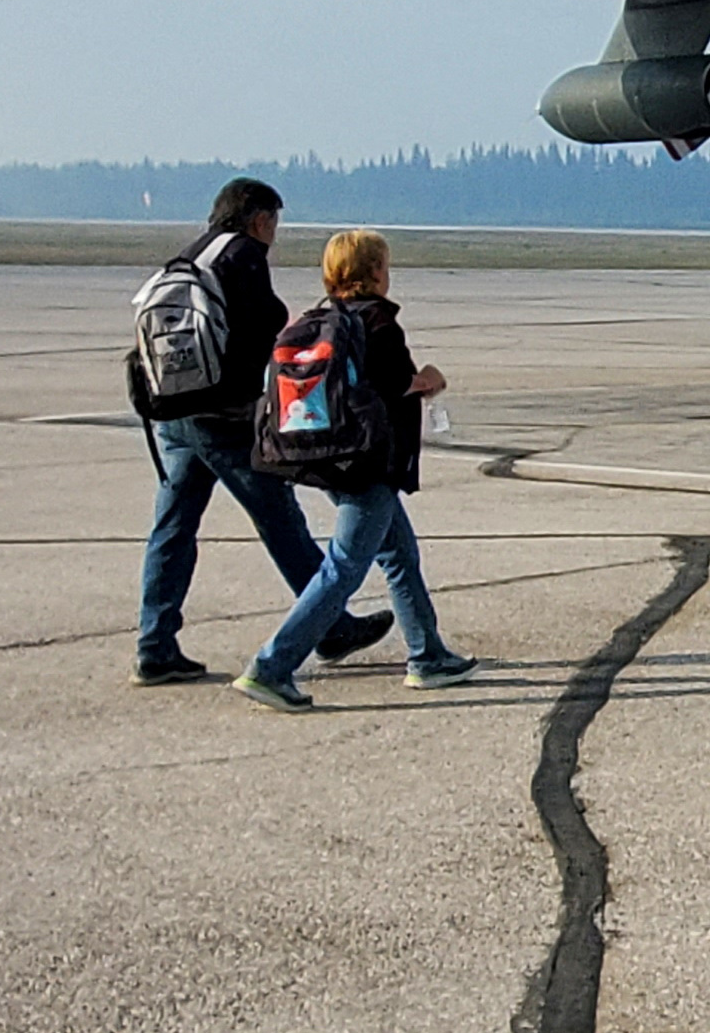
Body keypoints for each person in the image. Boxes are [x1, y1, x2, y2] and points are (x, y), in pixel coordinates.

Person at [130, 179, 390, 686]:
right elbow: (265, 323)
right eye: (274, 221)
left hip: (172, 412)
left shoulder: (188, 257)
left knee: (173, 526)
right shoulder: (243, 255)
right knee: (279, 518)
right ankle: (331, 626)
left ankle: (155, 644)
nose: (274, 232)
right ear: (259, 219)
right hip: (221, 417)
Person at [231, 230, 475, 710]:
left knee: (400, 554)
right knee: (345, 567)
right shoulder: (378, 321)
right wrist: (431, 378)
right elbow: (400, 384)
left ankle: (427, 655)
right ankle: (272, 666)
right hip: (368, 463)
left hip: (328, 457)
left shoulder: (316, 320)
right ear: (373, 271)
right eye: (384, 264)